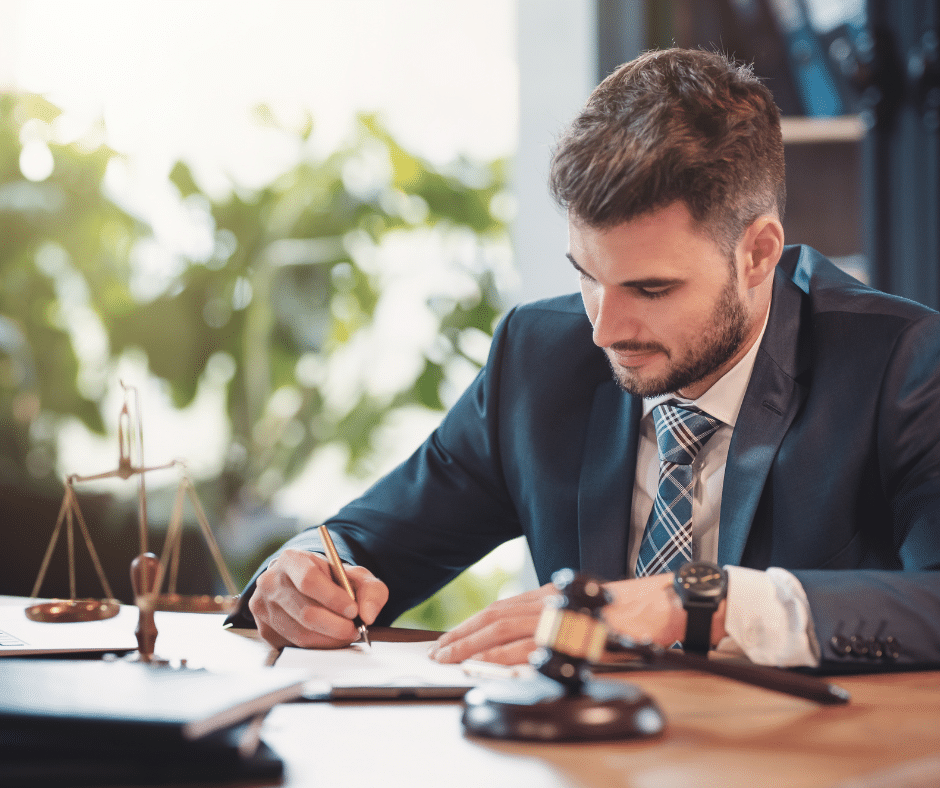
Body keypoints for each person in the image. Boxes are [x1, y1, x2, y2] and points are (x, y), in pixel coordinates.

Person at [226, 48, 940, 671]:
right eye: (587, 276)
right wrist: (306, 578)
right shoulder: (539, 359)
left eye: (651, 288)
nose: (605, 328)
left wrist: (694, 604)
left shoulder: (900, 365)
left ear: (757, 253)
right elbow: (361, 544)